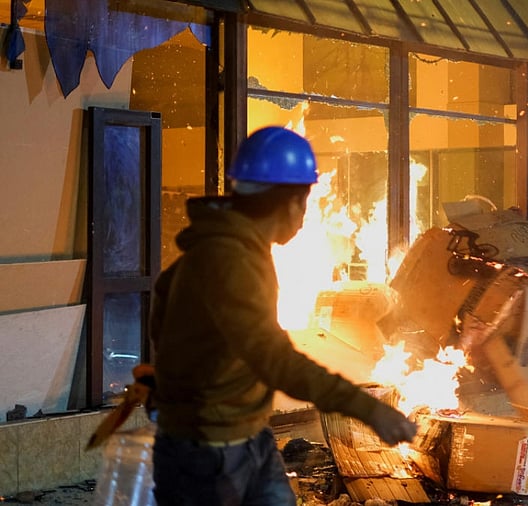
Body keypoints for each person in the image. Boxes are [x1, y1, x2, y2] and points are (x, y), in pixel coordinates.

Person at [148, 126, 418, 506]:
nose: (305, 216)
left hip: (244, 436)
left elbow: (162, 320)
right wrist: (368, 408)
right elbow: (275, 359)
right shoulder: (228, 261)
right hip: (208, 451)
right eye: (305, 202)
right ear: (289, 201)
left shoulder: (225, 250)